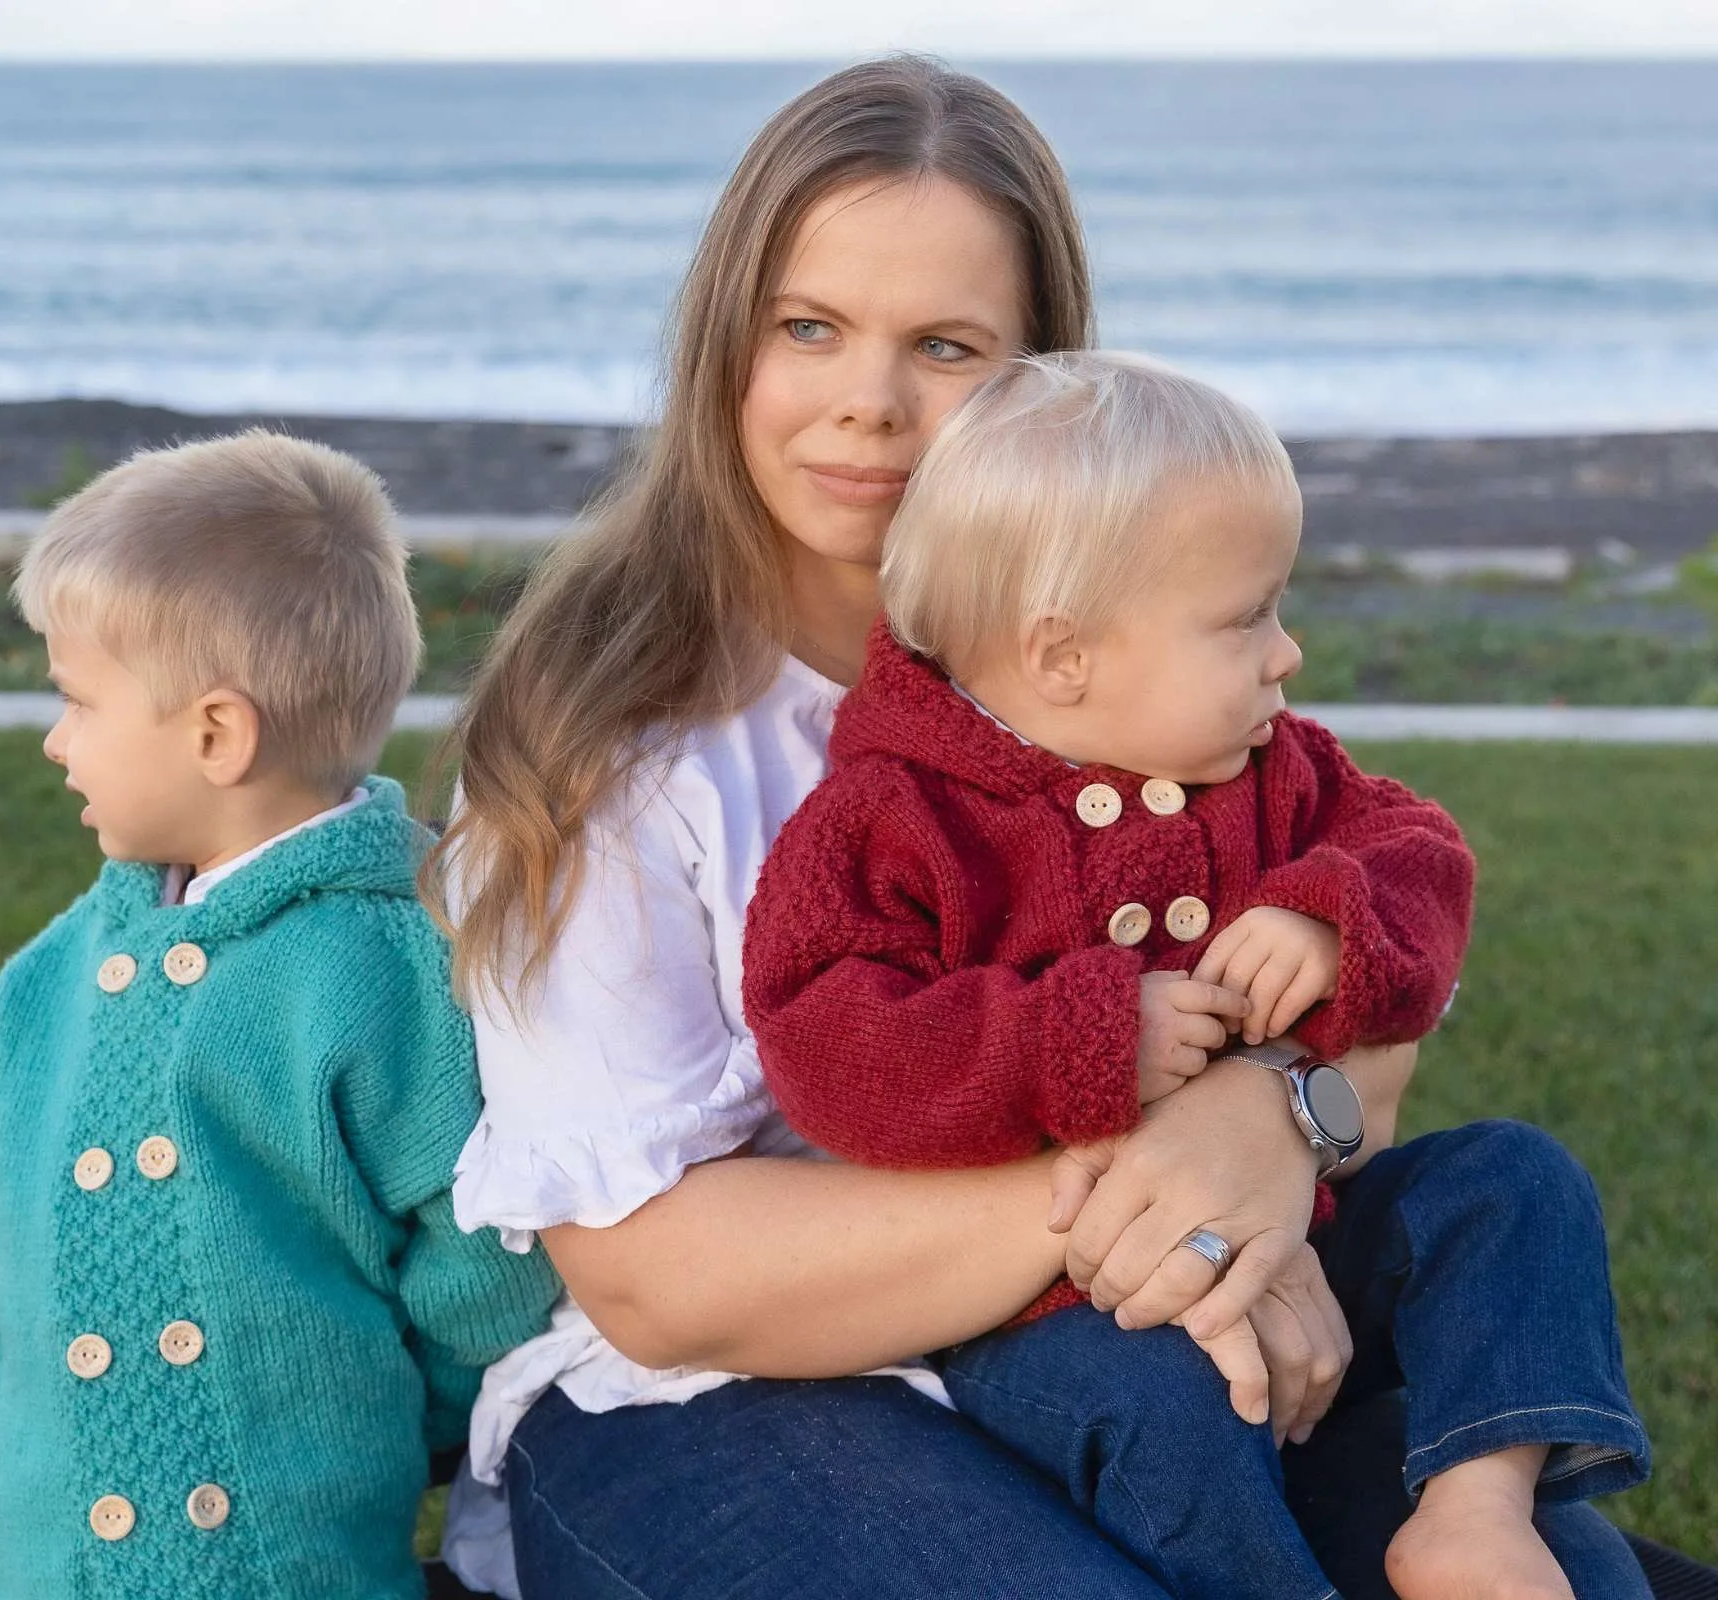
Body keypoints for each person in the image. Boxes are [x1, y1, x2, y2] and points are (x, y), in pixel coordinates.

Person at [432, 56, 1650, 1600]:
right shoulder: (602, 743)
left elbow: (1378, 1017)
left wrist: (1275, 1131)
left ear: (1038, 387)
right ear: (724, 342)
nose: (868, 401)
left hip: (1147, 1335)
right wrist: (1177, 1205)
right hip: (729, 1403)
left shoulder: (1131, 673)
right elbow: (661, 1283)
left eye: (944, 346)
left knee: (1568, 1579)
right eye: (808, 327)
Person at [740, 349, 1648, 1600]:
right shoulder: (890, 818)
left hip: (1308, 1236)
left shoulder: (1276, 767)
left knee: (1513, 1181)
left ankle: (1472, 1506)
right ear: (1063, 656)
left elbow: (1421, 852)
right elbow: (828, 1041)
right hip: (1057, 1310)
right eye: (1244, 619)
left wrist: (1329, 921)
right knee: (1169, 1404)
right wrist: (1082, 1034)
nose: (1287, 653)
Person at [0, 431, 560, 1599]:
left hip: (289, 1557)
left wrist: (381, 1414)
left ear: (216, 734)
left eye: (77, 700)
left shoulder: (394, 964)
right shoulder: (46, 982)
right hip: (46, 1558)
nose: (54, 739)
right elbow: (7, 1296)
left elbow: (483, 1273)